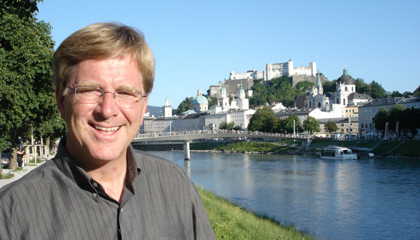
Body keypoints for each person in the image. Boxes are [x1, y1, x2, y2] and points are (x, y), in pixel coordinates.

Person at [0, 22, 216, 240]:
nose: (108, 110)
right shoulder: (11, 213)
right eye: (90, 90)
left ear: (143, 107)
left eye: (125, 92)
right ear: (61, 101)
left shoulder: (176, 184)